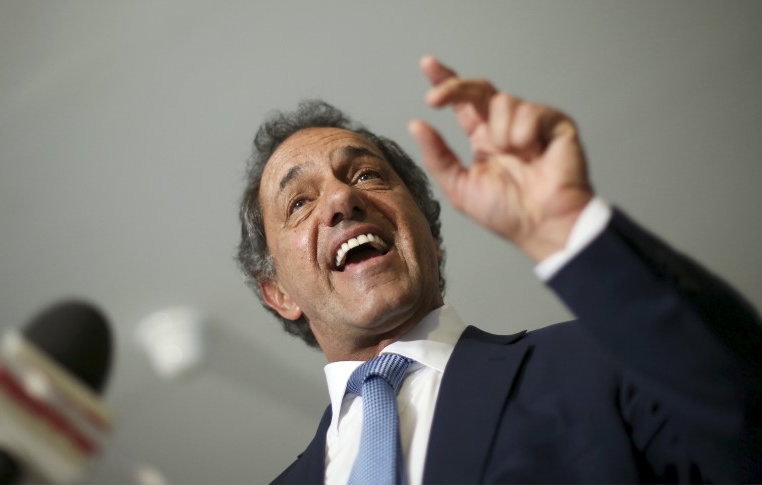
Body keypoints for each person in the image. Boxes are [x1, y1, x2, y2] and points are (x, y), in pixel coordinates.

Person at [236, 56, 762, 483]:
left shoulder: (598, 362)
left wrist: (568, 228)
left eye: (367, 174)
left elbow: (743, 426)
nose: (342, 199)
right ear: (278, 292)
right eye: (300, 203)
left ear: (430, 238)